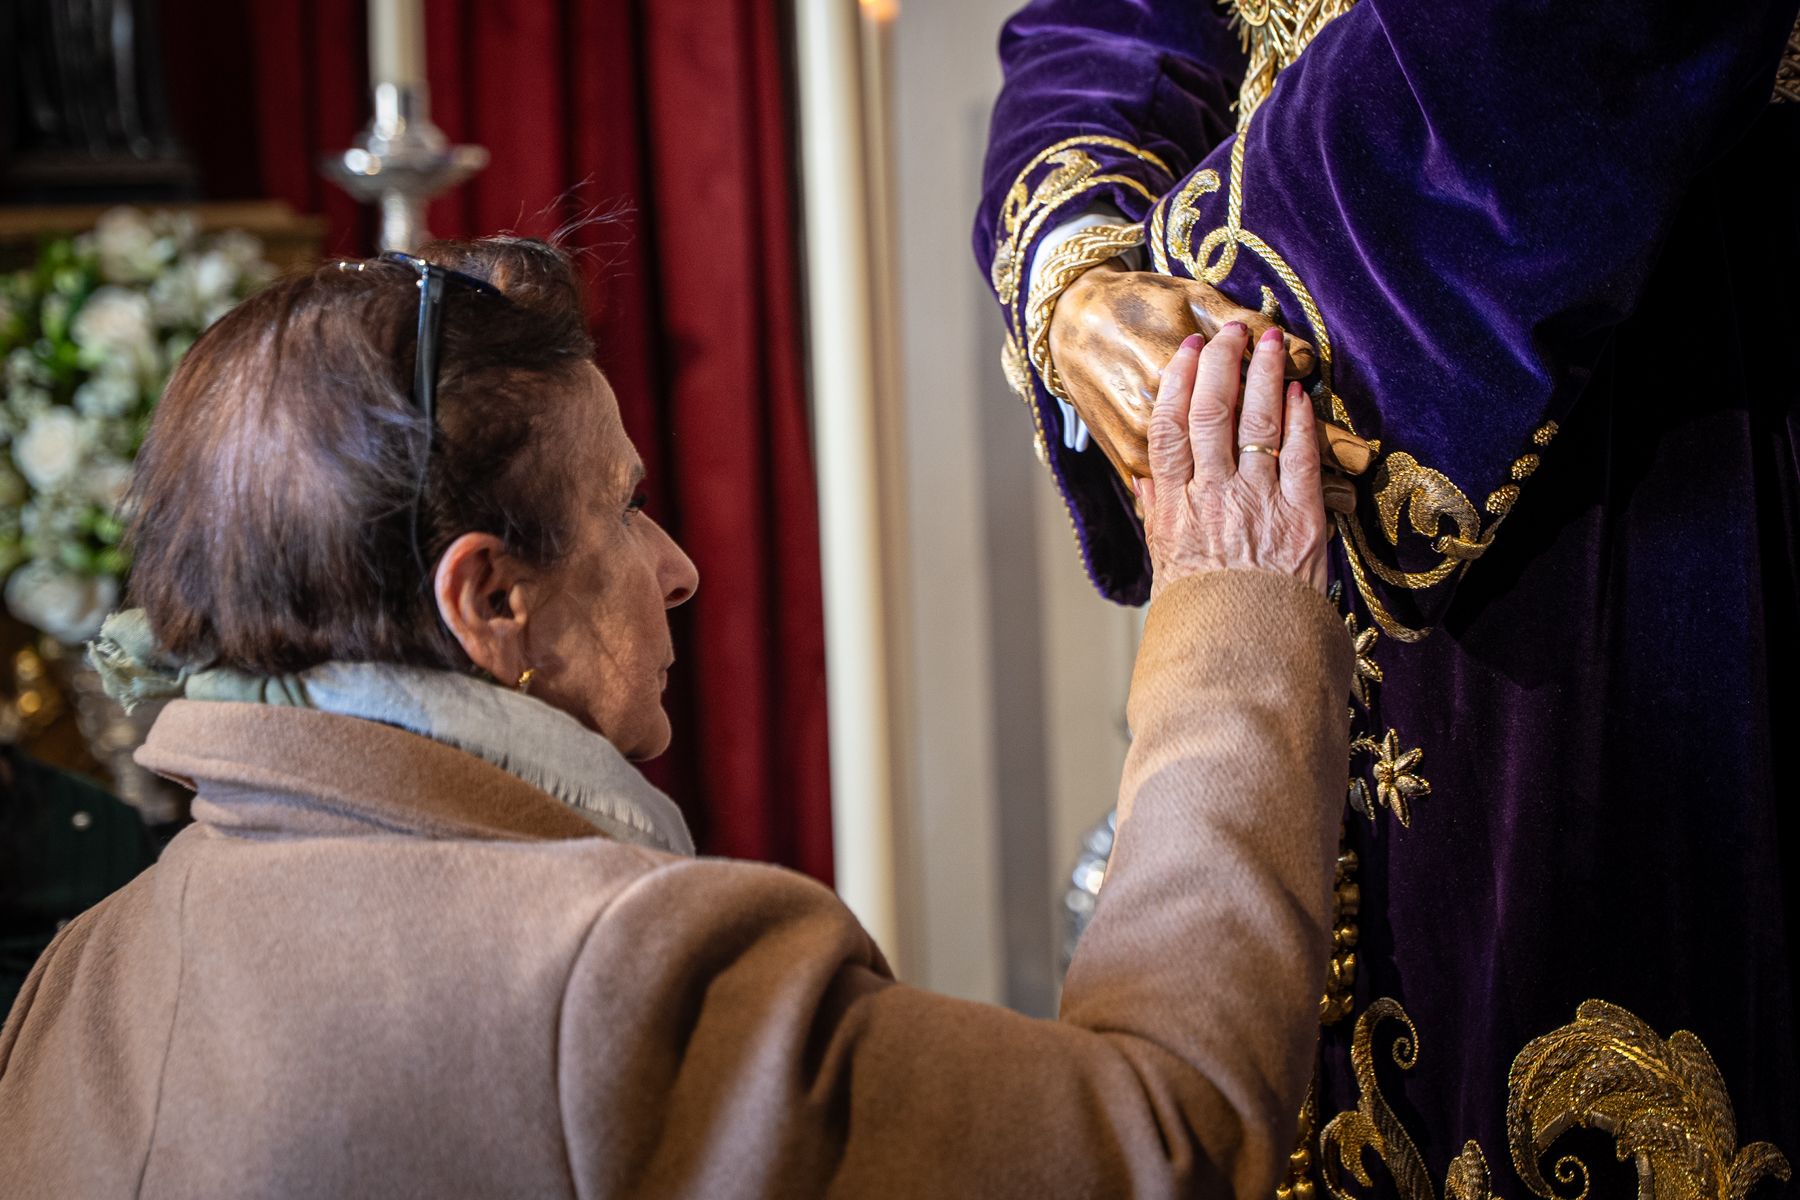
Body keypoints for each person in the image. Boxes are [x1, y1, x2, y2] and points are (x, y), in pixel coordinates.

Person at [0, 237, 1352, 1198]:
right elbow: (1163, 1146)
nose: (678, 567)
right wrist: (1232, 609)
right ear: (493, 603)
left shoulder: (79, 976)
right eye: (624, 507)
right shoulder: (603, 980)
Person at [975, 0, 1800, 1194]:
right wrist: (1078, 273)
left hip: (1649, 431)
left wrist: (1217, 312)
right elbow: (1101, 26)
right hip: (1318, 472)